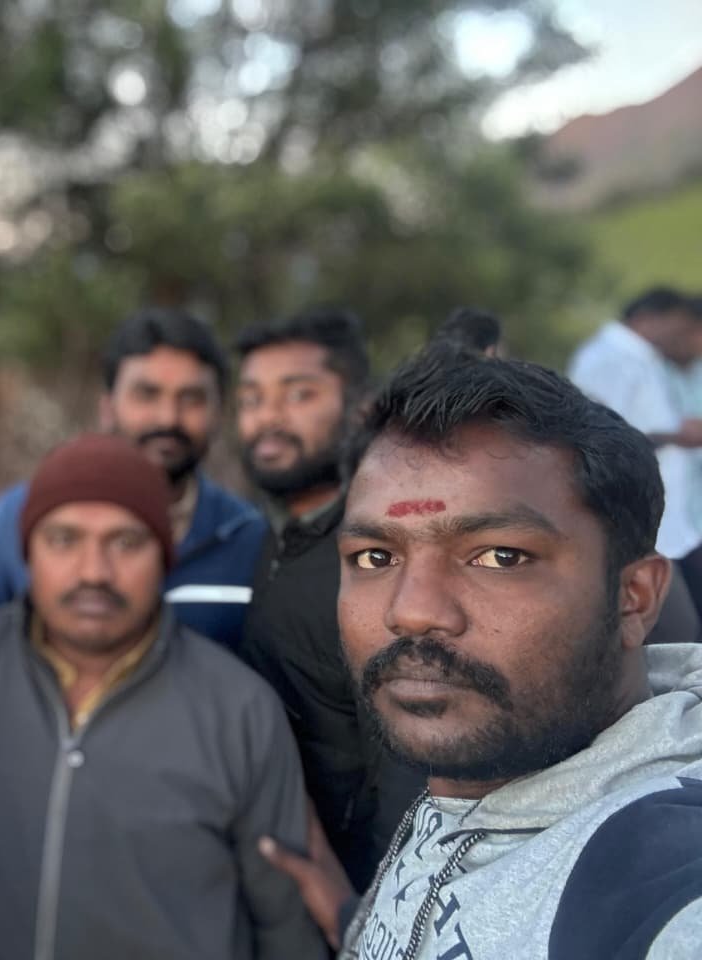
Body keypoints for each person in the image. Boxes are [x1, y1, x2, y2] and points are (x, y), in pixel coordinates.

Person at [262, 349, 702, 958]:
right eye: (375, 557)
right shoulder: (475, 765)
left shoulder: (660, 875)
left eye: (499, 556)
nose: (411, 612)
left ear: (635, 597)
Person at [0, 433, 324, 959]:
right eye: (64, 539)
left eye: (126, 542)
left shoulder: (239, 710)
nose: (94, 571)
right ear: (26, 552)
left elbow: (286, 927)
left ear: (165, 557)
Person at [235, 309, 423, 892]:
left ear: (359, 408)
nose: (269, 417)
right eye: (251, 398)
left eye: (299, 394)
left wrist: (371, 911)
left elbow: (411, 760)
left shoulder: (379, 554)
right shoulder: (266, 535)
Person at [0, 307, 265, 651]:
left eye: (191, 399)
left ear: (218, 413)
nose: (168, 417)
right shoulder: (18, 518)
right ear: (107, 407)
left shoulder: (248, 536)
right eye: (147, 394)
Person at [569, 288, 702, 604]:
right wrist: (675, 435)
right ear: (648, 318)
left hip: (671, 526)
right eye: (680, 322)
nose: (683, 332)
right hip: (641, 520)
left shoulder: (642, 358)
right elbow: (599, 434)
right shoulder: (608, 359)